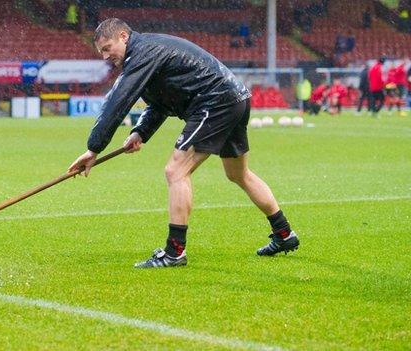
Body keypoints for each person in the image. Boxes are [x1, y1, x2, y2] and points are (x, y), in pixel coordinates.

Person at [67, 18, 300, 268]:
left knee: (176, 171)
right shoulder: (146, 53)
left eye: (107, 48)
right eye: (101, 51)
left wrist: (94, 148)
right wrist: (140, 133)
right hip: (234, 98)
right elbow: (160, 103)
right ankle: (284, 234)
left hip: (215, 102)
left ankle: (174, 252)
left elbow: (118, 101)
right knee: (238, 173)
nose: (104, 56)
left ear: (124, 36)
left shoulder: (141, 54)